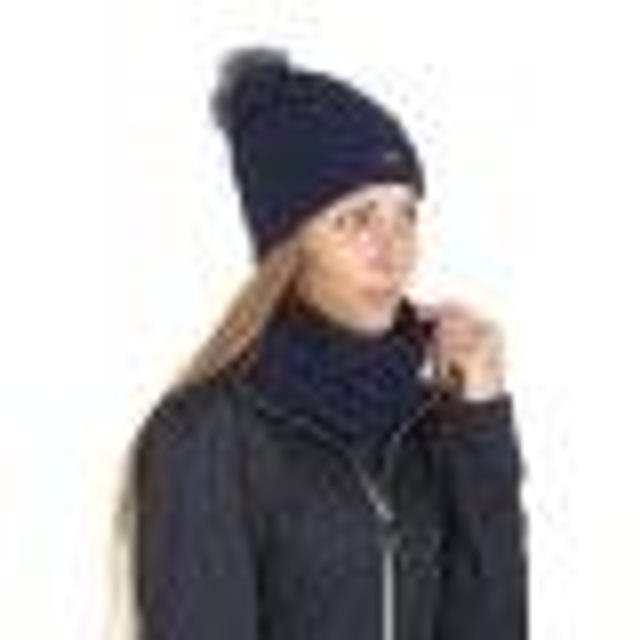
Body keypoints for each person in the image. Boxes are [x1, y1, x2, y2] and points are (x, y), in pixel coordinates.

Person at [116, 47, 528, 640]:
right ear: (289, 247)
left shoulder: (430, 426)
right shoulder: (208, 436)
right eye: (357, 219)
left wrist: (480, 424)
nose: (394, 251)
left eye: (406, 215)